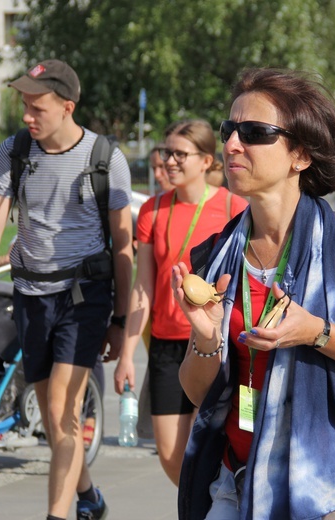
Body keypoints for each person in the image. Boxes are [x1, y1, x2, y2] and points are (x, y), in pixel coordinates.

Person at [171, 68, 335, 519]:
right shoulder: (217, 255)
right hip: (243, 481)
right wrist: (205, 340)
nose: (232, 144)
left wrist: (319, 333)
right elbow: (199, 392)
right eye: (229, 130)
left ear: (300, 155)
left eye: (255, 132)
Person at [0, 59, 133, 520]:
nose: (27, 116)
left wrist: (120, 321)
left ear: (67, 106)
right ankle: (89, 495)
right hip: (30, 296)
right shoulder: (14, 151)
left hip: (83, 296)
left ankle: (59, 514)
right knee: (51, 415)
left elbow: (123, 246)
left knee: (60, 407)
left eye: (38, 107)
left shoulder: (104, 157)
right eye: (24, 105)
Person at [114, 119, 248, 486]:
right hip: (166, 346)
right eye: (166, 152)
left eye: (179, 154)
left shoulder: (235, 207)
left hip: (218, 344)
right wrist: (127, 354)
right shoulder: (153, 211)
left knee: (221, 448)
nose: (169, 161)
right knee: (173, 456)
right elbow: (142, 287)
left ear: (206, 161)